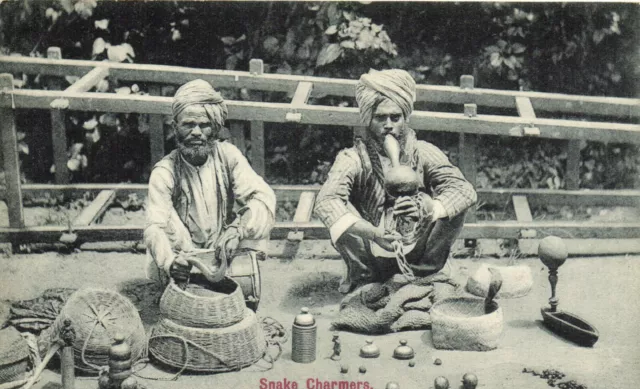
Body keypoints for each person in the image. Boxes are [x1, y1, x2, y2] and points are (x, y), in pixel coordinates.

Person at [314, 69, 477, 294]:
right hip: (372, 248)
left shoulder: (423, 152)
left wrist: (427, 208)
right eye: (380, 118)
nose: (388, 125)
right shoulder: (352, 158)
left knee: (456, 203)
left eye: (395, 117)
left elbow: (464, 190)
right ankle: (364, 276)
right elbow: (325, 202)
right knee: (338, 212)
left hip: (417, 246)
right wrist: (374, 233)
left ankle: (426, 271)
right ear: (368, 119)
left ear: (405, 118)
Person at [144, 79, 276, 289]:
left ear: (214, 129)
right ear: (175, 127)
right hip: (183, 252)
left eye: (204, 125)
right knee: (158, 229)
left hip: (223, 246)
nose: (196, 132)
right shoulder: (165, 171)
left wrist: (237, 230)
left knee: (259, 210)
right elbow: (154, 228)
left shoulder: (228, 156)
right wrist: (170, 262)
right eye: (188, 124)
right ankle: (179, 276)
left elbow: (263, 197)